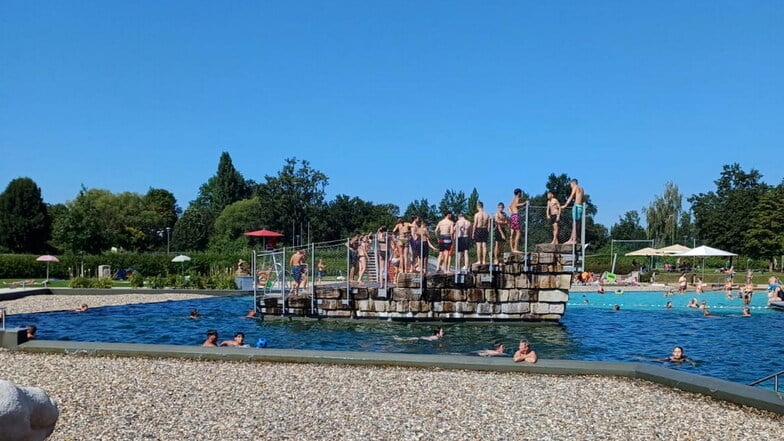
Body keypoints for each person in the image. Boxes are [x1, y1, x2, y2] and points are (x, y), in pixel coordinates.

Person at [561, 178, 584, 245]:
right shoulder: (582, 189)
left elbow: (571, 196)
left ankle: (573, 239)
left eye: (570, 185)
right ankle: (572, 239)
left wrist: (565, 205)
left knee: (574, 223)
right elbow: (583, 199)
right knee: (576, 223)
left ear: (573, 183)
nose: (570, 186)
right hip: (581, 206)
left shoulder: (575, 187)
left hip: (576, 206)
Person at [508, 188, 528, 253]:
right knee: (518, 233)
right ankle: (515, 249)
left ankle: (512, 249)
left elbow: (509, 207)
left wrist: (511, 212)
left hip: (512, 216)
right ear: (519, 193)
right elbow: (516, 205)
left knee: (512, 234)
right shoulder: (517, 198)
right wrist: (524, 203)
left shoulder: (512, 199)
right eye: (521, 193)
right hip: (516, 216)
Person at [472, 201, 490, 265]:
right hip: (485, 229)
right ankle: (484, 261)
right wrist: (487, 231)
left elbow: (475, 224)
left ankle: (479, 260)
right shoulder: (487, 214)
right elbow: (488, 225)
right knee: (484, 246)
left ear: (478, 206)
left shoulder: (477, 214)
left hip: (478, 229)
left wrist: (473, 233)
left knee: (478, 246)